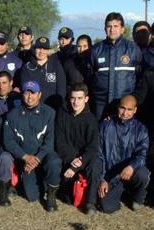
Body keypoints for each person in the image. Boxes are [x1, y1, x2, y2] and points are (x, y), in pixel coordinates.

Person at [0, 81, 61, 212]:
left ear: (39, 95)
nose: (30, 96)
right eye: (26, 93)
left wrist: (36, 159)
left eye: (33, 93)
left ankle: (51, 196)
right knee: (32, 197)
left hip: (43, 156)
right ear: (22, 95)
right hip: (25, 160)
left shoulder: (49, 113)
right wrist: (25, 157)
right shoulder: (12, 115)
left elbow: (49, 142)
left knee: (54, 162)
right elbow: (8, 141)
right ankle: (30, 182)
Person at [96, 94, 150, 214]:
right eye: (122, 108)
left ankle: (137, 196)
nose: (125, 113)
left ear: (135, 110)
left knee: (143, 174)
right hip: (111, 175)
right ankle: (120, 192)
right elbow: (98, 154)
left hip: (130, 172)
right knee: (106, 206)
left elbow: (142, 154)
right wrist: (103, 179)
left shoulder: (141, 129)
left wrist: (132, 166)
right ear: (118, 107)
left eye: (129, 109)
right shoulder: (105, 126)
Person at [55, 83, 100, 215]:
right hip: (67, 158)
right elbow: (60, 142)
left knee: (95, 165)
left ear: (86, 99)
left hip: (83, 160)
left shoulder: (91, 119)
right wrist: (71, 161)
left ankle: (90, 202)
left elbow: (92, 147)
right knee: (68, 197)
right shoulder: (62, 114)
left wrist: (78, 163)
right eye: (73, 98)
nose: (76, 102)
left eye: (80, 98)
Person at [90, 12, 142, 120]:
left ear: (123, 29)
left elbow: (140, 77)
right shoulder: (96, 50)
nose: (112, 29)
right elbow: (89, 76)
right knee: (101, 133)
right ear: (105, 29)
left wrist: (132, 99)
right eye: (109, 26)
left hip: (124, 105)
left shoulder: (133, 49)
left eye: (115, 26)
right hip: (101, 104)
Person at [19, 36, 67, 110]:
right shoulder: (27, 67)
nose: (41, 51)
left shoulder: (56, 65)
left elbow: (62, 88)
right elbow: (25, 90)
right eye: (39, 48)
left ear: (48, 51)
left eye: (44, 49)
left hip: (52, 108)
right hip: (33, 108)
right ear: (34, 49)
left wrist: (58, 105)